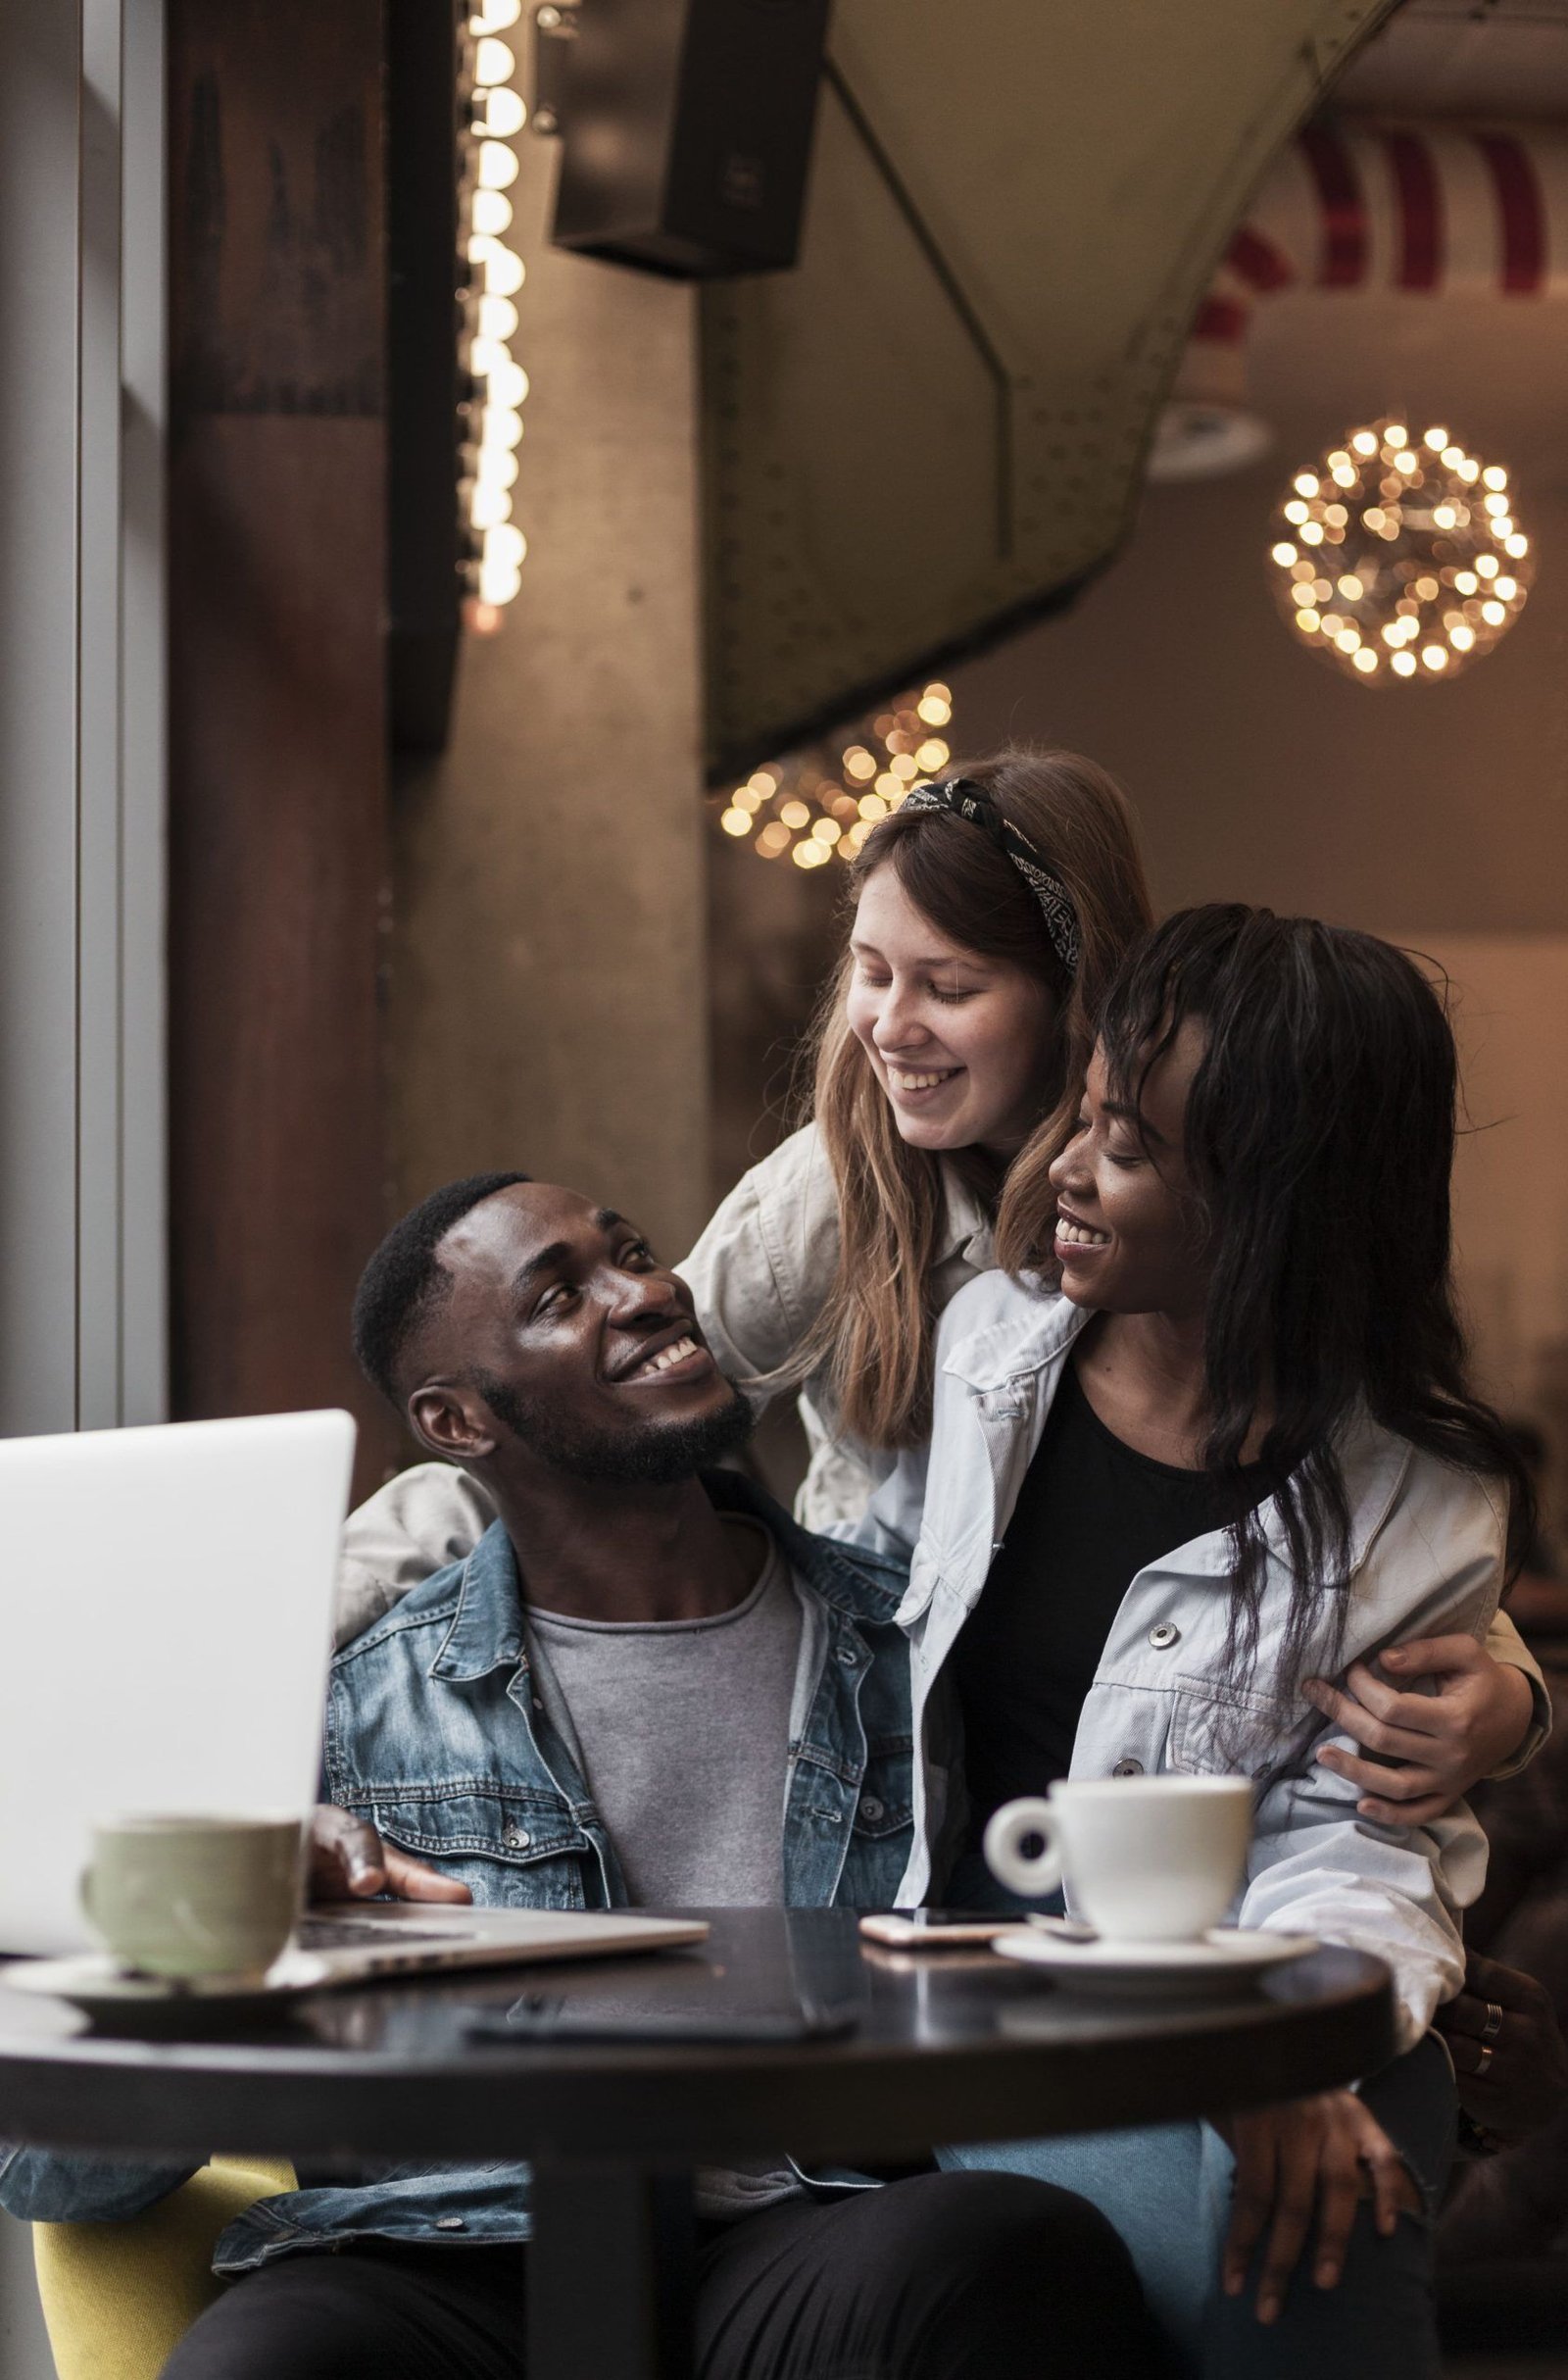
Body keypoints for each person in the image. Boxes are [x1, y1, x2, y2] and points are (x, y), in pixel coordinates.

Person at [0, 1173, 1158, 2380]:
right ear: (456, 1423)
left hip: (807, 2217)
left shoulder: (902, 1646)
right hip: (455, 2250)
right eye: (561, 1296)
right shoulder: (352, 1707)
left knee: (1003, 2254)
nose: (649, 1292)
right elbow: (52, 2177)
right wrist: (223, 1933)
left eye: (634, 1252)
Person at [335, 755, 1544, 1849]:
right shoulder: (842, 1187)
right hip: (873, 1740)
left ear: (1076, 1000)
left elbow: (1355, 1483)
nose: (888, 1026)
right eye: (867, 972)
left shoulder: (1197, 1185)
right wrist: (302, 1610)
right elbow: (589, 1417)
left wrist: (1511, 1690)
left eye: (948, 985)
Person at [864, 904, 1539, 2377]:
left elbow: (1361, 1853)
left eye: (1132, 1149)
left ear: (1276, 1205)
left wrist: (1266, 2051)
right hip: (981, 2005)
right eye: (1087, 1117)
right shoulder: (971, 1359)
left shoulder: (1413, 1493)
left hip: (1275, 2005)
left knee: (1315, 2204)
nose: (1072, 1176)